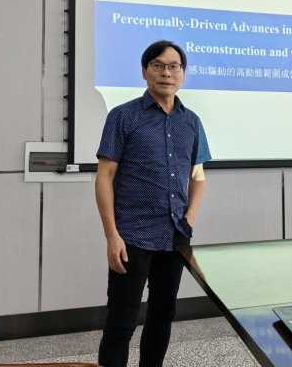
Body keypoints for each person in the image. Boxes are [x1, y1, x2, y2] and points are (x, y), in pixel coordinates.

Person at [95, 40, 211, 367]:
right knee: (121, 321)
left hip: (175, 234)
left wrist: (190, 216)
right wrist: (112, 236)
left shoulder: (191, 121)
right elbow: (104, 177)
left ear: (183, 74)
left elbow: (198, 176)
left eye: (174, 66)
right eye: (158, 65)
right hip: (131, 235)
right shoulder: (123, 116)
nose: (166, 73)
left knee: (162, 315)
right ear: (145, 71)